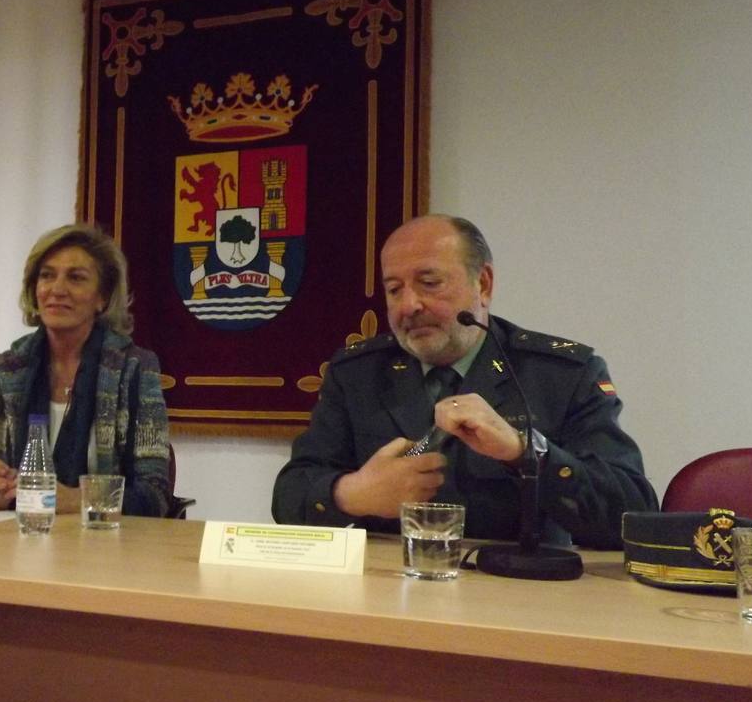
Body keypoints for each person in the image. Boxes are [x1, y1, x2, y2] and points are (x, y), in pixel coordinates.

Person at [272, 215, 656, 548]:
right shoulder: (357, 374)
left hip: (518, 599)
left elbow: (633, 517)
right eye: (394, 290)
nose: (409, 306)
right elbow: (289, 497)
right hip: (385, 593)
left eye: (429, 282)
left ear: (483, 285)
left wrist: (525, 451)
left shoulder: (562, 375)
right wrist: (353, 494)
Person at [0, 223, 170, 516]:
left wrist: (77, 500)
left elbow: (154, 493)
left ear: (102, 297)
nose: (57, 289)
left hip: (106, 547)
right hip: (21, 540)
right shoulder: (5, 371)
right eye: (47, 276)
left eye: (75, 278)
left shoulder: (134, 369)